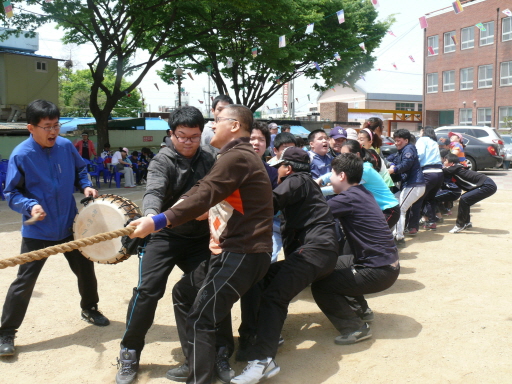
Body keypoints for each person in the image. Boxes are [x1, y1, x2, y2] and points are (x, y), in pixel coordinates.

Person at [128, 104, 273, 384]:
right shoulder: (230, 156)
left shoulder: (236, 156)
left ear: (233, 125)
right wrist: (160, 215)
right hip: (234, 252)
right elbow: (202, 190)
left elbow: (204, 193)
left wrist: (158, 221)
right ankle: (195, 363)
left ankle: (203, 375)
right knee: (185, 292)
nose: (211, 126)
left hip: (242, 253)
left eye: (216, 121)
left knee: (201, 318)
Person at [115, 106, 227, 384]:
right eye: (182, 136)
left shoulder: (212, 158)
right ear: (171, 134)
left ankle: (221, 352)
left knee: (211, 289)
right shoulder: (161, 161)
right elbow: (153, 191)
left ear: (202, 134)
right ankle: (129, 351)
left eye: (194, 136)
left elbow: (222, 191)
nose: (187, 142)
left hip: (199, 237)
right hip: (164, 234)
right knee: (147, 291)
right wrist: (151, 217)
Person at [0, 99, 107, 358]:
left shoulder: (66, 146)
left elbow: (81, 172)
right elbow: (11, 193)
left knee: (85, 269)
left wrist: (86, 186)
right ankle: (6, 333)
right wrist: (30, 206)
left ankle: (90, 308)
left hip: (70, 225)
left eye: (56, 126)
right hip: (39, 232)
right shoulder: (22, 154)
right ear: (31, 127)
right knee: (24, 281)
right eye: (47, 126)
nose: (53, 132)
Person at [231, 147, 338, 384]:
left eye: (277, 167)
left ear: (287, 168)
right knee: (263, 278)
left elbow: (268, 202)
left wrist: (228, 197)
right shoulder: (307, 184)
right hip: (320, 253)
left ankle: (263, 360)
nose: (275, 173)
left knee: (274, 297)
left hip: (314, 251)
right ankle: (267, 334)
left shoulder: (297, 180)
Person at [311, 153, 399, 345]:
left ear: (341, 176)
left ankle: (355, 329)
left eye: (332, 174)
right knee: (329, 266)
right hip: (385, 264)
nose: (330, 178)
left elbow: (315, 215)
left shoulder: (347, 199)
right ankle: (361, 311)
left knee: (321, 287)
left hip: (379, 270)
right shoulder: (362, 192)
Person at [387, 129, 426, 246]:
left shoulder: (409, 149)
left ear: (406, 140)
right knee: (396, 205)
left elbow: (407, 164)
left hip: (415, 184)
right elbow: (393, 158)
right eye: (395, 140)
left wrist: (393, 169)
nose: (396, 143)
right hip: (411, 185)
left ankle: (398, 237)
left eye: (399, 141)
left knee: (400, 209)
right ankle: (395, 234)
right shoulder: (402, 150)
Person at [442, 153, 497, 233]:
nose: (443, 162)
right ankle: (466, 223)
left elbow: (441, 171)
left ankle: (459, 225)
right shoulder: (456, 168)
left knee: (464, 199)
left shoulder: (454, 168)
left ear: (451, 163)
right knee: (465, 200)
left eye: (445, 160)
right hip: (486, 183)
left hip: (487, 185)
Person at [410, 127, 443, 232]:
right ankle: (431, 222)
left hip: (428, 172)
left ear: (424, 132)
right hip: (439, 173)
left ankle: (413, 226)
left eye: (420, 131)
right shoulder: (434, 142)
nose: (419, 133)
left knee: (417, 199)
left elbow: (420, 155)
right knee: (430, 199)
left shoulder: (422, 140)